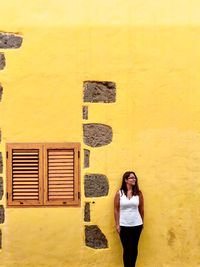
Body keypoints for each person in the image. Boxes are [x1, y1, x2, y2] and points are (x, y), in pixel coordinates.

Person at [114, 171, 144, 267]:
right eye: (131, 178)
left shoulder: (138, 194)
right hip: (123, 225)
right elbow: (116, 210)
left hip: (137, 224)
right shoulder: (119, 193)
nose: (134, 179)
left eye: (135, 178)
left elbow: (142, 209)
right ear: (126, 180)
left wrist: (142, 223)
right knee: (126, 249)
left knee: (134, 248)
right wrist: (117, 224)